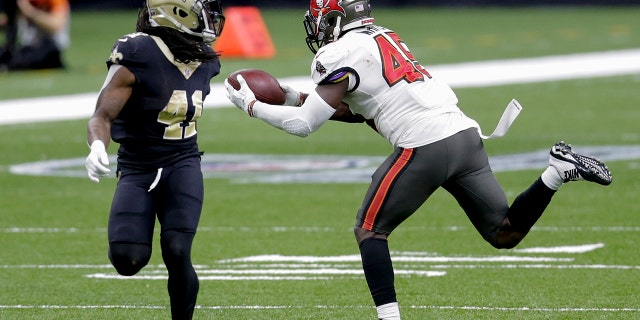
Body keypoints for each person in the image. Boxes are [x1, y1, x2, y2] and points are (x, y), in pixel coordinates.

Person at [224, 0, 613, 319]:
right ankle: (557, 172)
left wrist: (253, 105)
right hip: (463, 136)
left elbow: (303, 126)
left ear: (335, 18)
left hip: (425, 146)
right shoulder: (384, 37)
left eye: (319, 21)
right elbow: (363, 109)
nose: (316, 30)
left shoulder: (338, 52)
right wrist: (292, 96)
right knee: (504, 232)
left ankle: (389, 319)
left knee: (370, 230)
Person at [84, 0, 224, 319]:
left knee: (177, 251)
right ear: (176, 12)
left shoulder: (206, 59)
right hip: (137, 167)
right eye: (203, 9)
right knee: (127, 259)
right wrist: (97, 146)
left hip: (183, 163)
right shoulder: (138, 53)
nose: (212, 18)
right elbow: (102, 115)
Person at [0, 0, 70, 71]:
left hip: (51, 47)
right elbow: (11, 22)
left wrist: (30, 12)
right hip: (28, 47)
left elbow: (56, 25)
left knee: (25, 59)